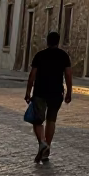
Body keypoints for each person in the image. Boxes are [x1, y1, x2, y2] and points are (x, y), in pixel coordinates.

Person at [24, 31, 72, 163]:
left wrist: (28, 92)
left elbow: (32, 75)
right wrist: (69, 92)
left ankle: (42, 143)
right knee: (51, 120)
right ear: (58, 42)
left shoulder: (40, 55)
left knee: (37, 121)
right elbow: (68, 75)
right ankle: (47, 148)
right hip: (56, 93)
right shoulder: (63, 56)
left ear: (47, 41)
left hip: (40, 92)